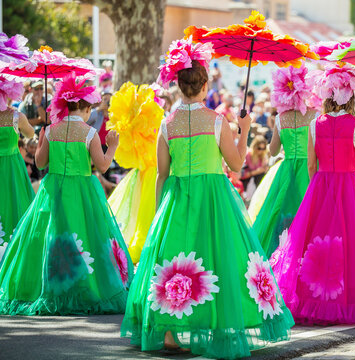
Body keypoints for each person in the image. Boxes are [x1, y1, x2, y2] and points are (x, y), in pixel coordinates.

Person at [121, 38, 294, 358]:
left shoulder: (167, 123)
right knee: (217, 257)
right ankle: (217, 322)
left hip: (177, 197)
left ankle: (169, 331)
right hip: (214, 199)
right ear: (203, 86)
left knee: (173, 259)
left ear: (179, 85)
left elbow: (161, 172)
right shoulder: (216, 121)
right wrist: (243, 129)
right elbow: (237, 163)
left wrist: (161, 208)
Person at [272, 63, 355, 325]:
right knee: (353, 245)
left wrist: (319, 192)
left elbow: (312, 166)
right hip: (350, 188)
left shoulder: (315, 124)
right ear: (350, 98)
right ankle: (352, 297)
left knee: (317, 242)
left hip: (321, 187)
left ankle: (316, 299)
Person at [0, 73, 134, 315]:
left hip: (53, 191)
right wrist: (112, 146)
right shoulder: (89, 133)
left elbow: (40, 164)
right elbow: (102, 166)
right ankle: (85, 284)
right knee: (86, 233)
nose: (89, 113)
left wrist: (43, 139)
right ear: (82, 107)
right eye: (88, 108)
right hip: (82, 192)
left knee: (52, 233)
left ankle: (46, 282)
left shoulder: (52, 130)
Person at [248, 64, 319, 257]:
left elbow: (273, 150)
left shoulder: (281, 118)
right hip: (310, 169)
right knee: (309, 213)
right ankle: (307, 254)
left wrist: (274, 128)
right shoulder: (315, 116)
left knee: (281, 212)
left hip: (287, 170)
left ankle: (281, 254)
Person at [106, 82, 164, 263]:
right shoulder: (154, 125)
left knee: (140, 214)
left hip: (144, 174)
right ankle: (148, 248)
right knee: (146, 214)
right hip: (153, 174)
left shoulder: (145, 126)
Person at [0, 77, 35, 253]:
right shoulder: (16, 116)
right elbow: (30, 133)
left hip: (10, 165)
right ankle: (14, 245)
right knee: (14, 201)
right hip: (11, 166)